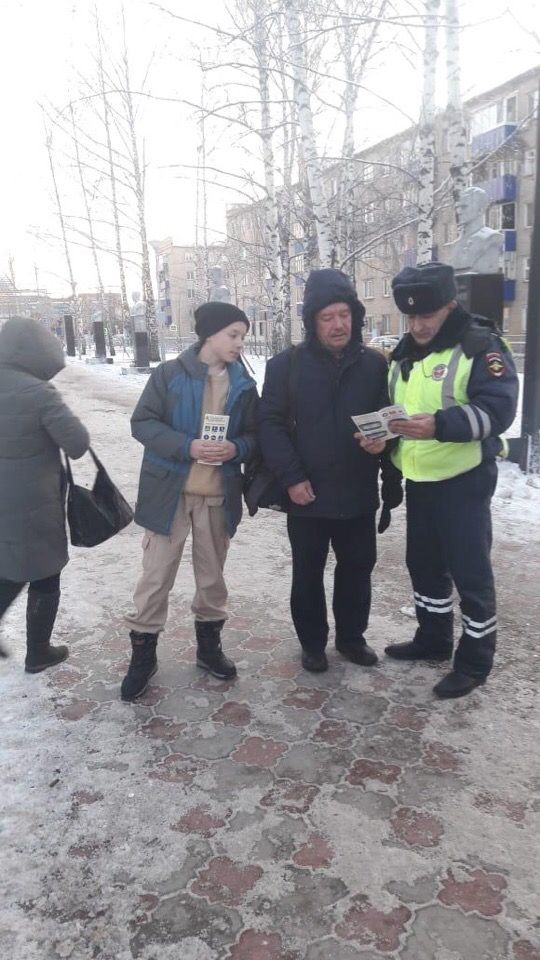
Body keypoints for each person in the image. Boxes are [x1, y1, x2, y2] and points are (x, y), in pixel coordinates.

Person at [384, 261, 518, 698]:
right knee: (423, 566)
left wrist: (441, 425)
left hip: (464, 481)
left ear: (450, 305)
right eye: (410, 316)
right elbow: (399, 414)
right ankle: (434, 639)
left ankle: (475, 662)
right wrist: (381, 439)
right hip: (419, 479)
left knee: (470, 574)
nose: (418, 324)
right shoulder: (404, 352)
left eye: (427, 315)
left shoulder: (481, 345)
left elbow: (498, 412)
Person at [258, 268, 403, 674]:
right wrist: (291, 478)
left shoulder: (375, 366)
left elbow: (388, 419)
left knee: (357, 568)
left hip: (357, 491)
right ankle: (312, 643)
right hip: (307, 492)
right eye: (327, 317)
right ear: (312, 322)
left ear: (355, 317)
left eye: (344, 314)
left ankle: (352, 638)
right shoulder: (285, 366)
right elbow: (268, 423)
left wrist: (383, 441)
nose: (338, 324)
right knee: (307, 573)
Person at [121, 302, 258, 702]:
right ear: (210, 334)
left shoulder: (245, 385)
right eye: (233, 335)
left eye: (242, 337)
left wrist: (237, 448)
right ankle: (143, 656)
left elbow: (257, 435)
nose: (239, 343)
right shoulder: (169, 375)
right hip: (170, 495)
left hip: (218, 497)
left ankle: (209, 648)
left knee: (212, 578)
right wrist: (187, 446)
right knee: (155, 578)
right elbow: (142, 423)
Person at [0, 317, 90, 671]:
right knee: (45, 572)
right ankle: (39, 652)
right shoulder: (39, 392)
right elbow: (78, 444)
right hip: (33, 503)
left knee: (8, 566)